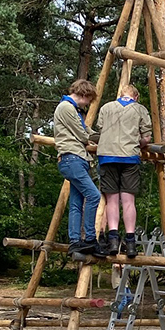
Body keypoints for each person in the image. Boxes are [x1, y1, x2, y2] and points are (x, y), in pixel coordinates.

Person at [93, 84, 152, 259]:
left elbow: (101, 130)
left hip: (107, 157)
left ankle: (112, 239)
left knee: (111, 200)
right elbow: (146, 137)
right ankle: (131, 240)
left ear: (120, 95)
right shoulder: (140, 109)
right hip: (129, 158)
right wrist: (138, 143)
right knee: (128, 201)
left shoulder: (106, 107)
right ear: (136, 96)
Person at [54, 79, 103, 256]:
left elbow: (87, 131)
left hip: (77, 159)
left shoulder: (73, 110)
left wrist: (103, 136)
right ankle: (90, 238)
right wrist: (97, 139)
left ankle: (75, 241)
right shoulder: (66, 107)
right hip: (72, 158)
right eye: (89, 99)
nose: (89, 103)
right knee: (93, 195)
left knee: (76, 202)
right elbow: (82, 134)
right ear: (84, 94)